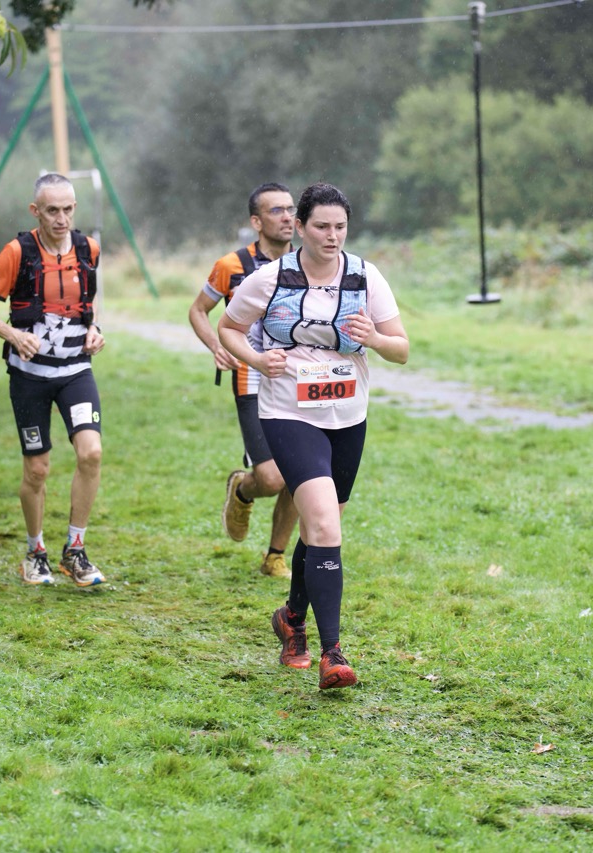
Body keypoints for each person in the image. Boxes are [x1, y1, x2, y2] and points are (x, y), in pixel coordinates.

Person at [217, 183, 408, 690]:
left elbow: (402, 349)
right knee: (324, 524)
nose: (332, 235)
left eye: (340, 226)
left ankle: (291, 619)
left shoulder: (366, 277)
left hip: (347, 415)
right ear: (300, 227)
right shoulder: (269, 279)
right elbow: (228, 328)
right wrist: (257, 360)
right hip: (287, 412)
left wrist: (375, 338)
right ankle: (332, 654)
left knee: (322, 527)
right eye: (321, 226)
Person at [0, 172, 107, 588]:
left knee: (91, 453)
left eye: (68, 210)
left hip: (76, 371)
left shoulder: (89, 249)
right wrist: (13, 335)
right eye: (52, 211)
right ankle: (35, 552)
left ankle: (75, 551)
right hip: (30, 377)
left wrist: (95, 329)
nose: (61, 219)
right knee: (37, 470)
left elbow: (88, 304)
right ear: (35, 211)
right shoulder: (17, 253)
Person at [188, 183, 301, 579]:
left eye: (290, 209)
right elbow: (198, 310)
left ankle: (275, 556)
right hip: (250, 378)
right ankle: (243, 487)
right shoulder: (231, 265)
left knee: (301, 471)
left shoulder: (308, 263)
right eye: (276, 211)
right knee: (271, 478)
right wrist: (215, 346)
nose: (287, 217)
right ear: (256, 221)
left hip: (298, 379)